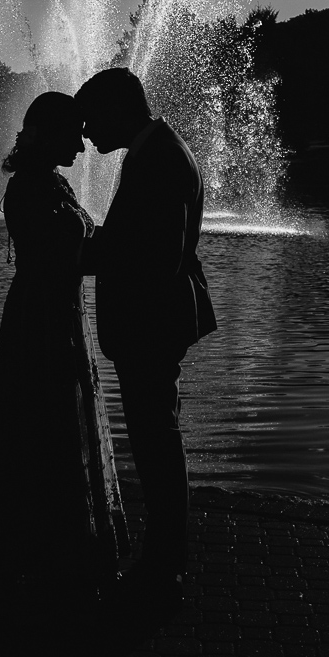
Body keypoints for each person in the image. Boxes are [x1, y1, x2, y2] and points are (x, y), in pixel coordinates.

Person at [0, 91, 129, 602]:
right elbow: (65, 256)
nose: (82, 142)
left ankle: (52, 549)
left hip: (60, 311)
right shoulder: (29, 188)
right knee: (41, 421)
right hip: (41, 317)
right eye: (73, 131)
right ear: (50, 133)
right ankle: (42, 552)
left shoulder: (51, 183)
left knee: (56, 423)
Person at [75, 68, 217, 607]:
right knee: (157, 437)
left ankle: (164, 569)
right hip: (153, 321)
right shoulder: (158, 147)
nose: (87, 133)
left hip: (150, 324)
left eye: (92, 119)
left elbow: (156, 252)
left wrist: (77, 255)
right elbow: (146, 240)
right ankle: (164, 560)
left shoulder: (157, 155)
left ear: (118, 110)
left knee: (156, 442)